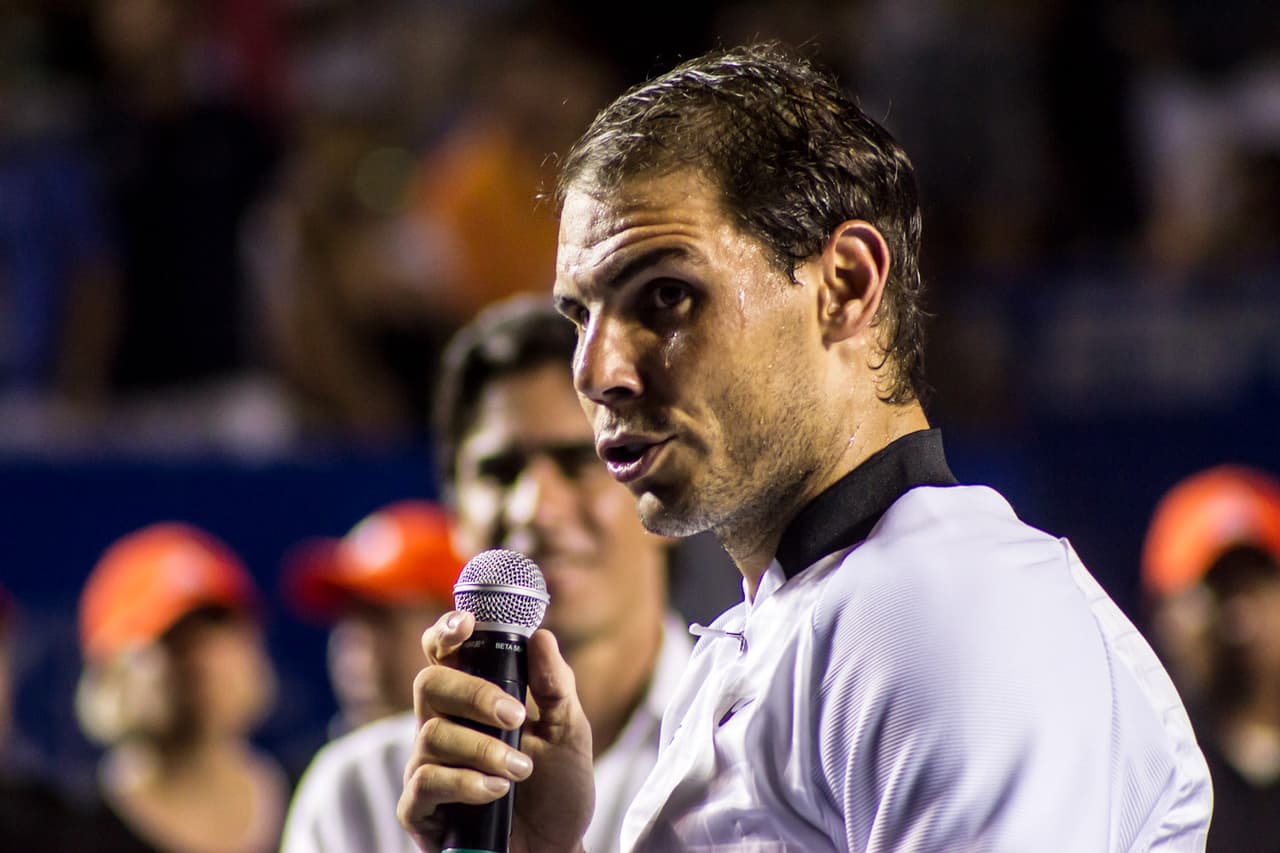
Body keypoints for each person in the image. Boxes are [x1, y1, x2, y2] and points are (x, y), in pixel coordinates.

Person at [398, 42, 1213, 852]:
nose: (597, 370)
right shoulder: (781, 629)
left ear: (848, 284)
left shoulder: (949, 614)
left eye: (666, 295)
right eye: (581, 316)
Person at [280, 297, 688, 853]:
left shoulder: (743, 739)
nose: (533, 507)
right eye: (499, 471)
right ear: (454, 513)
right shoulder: (360, 793)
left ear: (659, 494)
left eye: (578, 462)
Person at [76, 522, 289, 853]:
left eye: (218, 625)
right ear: (111, 673)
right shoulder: (68, 831)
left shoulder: (314, 796)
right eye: (170, 637)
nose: (202, 658)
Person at [1143, 465, 1280, 853]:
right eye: (1216, 590)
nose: (1240, 616)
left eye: (1259, 585)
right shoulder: (1141, 780)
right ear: (1166, 616)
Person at [283, 500, 465, 736]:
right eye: (349, 618)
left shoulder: (509, 759)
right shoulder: (322, 766)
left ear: (457, 629)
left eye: (382, 619)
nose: (356, 643)